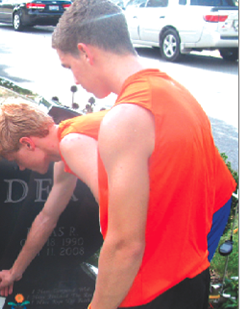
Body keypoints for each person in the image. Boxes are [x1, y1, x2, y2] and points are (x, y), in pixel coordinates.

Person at [50, 0, 236, 308]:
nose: (74, 80)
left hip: (149, 293)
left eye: (69, 66)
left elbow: (125, 244)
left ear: (85, 51)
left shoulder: (126, 118)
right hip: (192, 278)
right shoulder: (178, 93)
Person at [0, 101, 104, 297]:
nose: (21, 168)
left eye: (16, 160)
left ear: (27, 143)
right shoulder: (64, 154)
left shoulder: (73, 144)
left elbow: (122, 231)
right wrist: (15, 271)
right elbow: (47, 217)